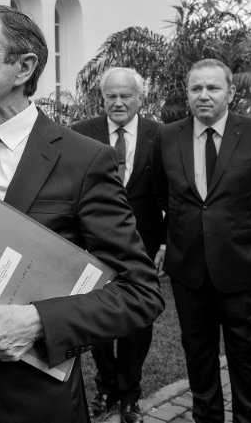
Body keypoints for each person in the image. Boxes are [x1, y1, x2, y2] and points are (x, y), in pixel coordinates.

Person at [0, 5, 164, 423]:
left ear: (24, 68)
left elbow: (139, 292)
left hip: (33, 400)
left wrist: (39, 321)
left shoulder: (83, 160)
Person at [151, 59, 251, 423]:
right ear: (187, 93)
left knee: (247, 356)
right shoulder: (167, 136)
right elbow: (161, 195)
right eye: (196, 88)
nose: (204, 95)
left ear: (230, 91)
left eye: (213, 88)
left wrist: (247, 232)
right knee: (198, 354)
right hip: (189, 271)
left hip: (244, 268)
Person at [72, 67, 166, 423]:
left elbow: (174, 193)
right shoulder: (83, 133)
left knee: (138, 324)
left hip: (143, 246)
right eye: (111, 95)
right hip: (93, 249)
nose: (118, 101)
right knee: (97, 319)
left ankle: (130, 395)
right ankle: (105, 387)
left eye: (126, 95)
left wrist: (167, 243)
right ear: (103, 98)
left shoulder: (161, 135)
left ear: (140, 99)